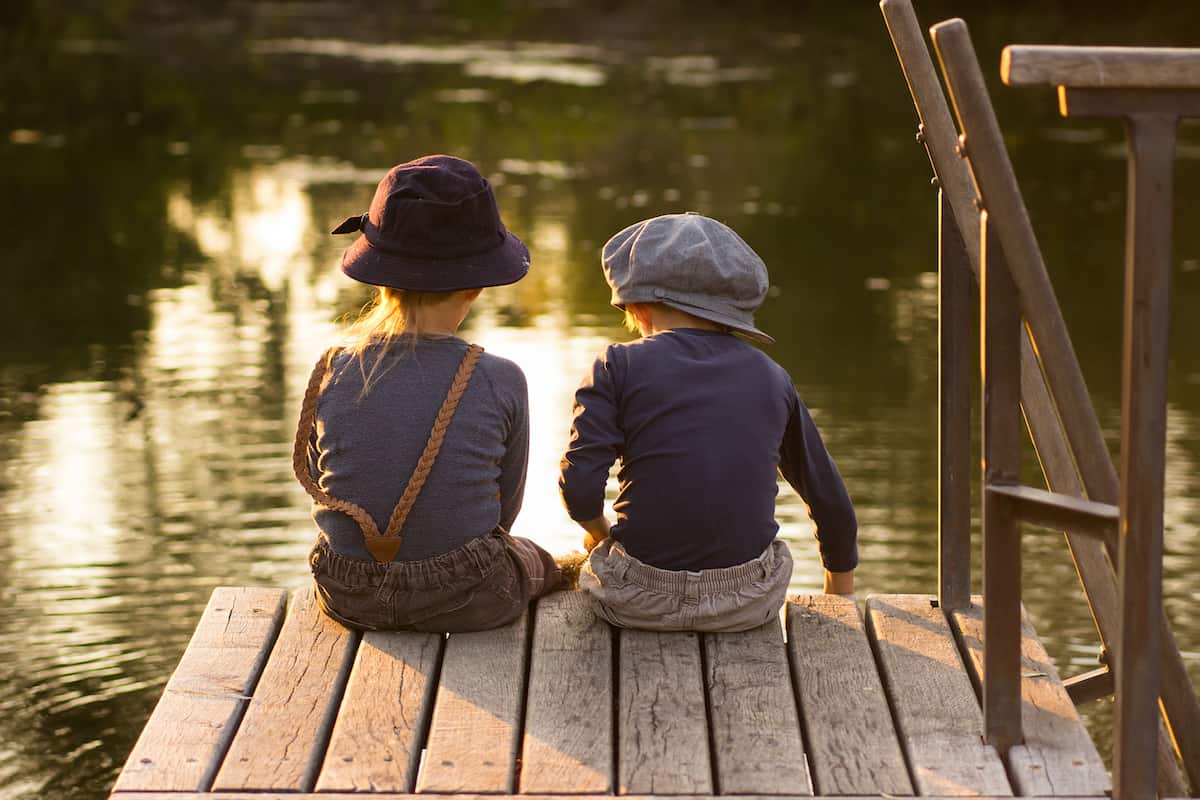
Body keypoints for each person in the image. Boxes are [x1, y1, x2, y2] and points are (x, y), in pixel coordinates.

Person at [293, 154, 560, 633]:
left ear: (380, 277)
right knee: (538, 560)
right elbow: (503, 515)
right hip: (467, 596)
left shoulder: (331, 370)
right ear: (478, 286)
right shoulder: (499, 377)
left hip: (346, 593)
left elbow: (323, 485)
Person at [558, 212, 857, 632]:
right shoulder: (772, 377)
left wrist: (600, 534)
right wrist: (841, 597)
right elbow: (829, 500)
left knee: (585, 565)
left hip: (637, 600)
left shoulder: (617, 365)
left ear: (637, 306)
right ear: (732, 309)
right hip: (747, 604)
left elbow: (579, 488)